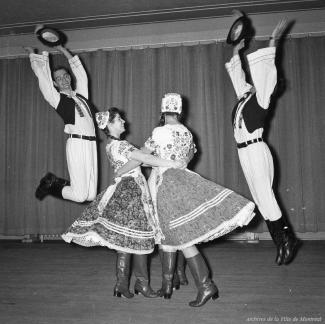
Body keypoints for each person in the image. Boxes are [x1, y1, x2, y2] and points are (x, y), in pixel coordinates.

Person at [119, 93, 256, 307]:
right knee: (176, 236)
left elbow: (140, 155)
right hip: (184, 181)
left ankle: (204, 285)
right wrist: (174, 162)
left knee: (177, 237)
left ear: (163, 110)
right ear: (180, 111)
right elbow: (189, 155)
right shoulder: (186, 132)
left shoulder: (160, 131)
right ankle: (183, 284)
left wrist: (120, 170)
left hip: (166, 185)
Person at [62, 107, 183, 299]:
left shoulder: (113, 145)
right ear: (110, 125)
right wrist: (171, 163)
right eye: (119, 120)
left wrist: (150, 155)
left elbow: (139, 161)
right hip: (132, 191)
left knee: (126, 240)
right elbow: (142, 158)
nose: (124, 122)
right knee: (139, 238)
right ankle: (141, 284)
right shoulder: (121, 145)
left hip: (124, 188)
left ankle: (121, 285)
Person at [225, 17, 298, 265]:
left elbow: (267, 72)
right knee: (260, 198)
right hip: (244, 153)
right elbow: (238, 78)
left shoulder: (262, 99)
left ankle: (285, 241)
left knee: (266, 196)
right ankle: (283, 240)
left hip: (256, 150)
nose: (255, 82)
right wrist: (236, 51)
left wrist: (273, 40)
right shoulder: (246, 96)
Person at [24, 45, 97, 202]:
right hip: (77, 143)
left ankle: (55, 182)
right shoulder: (57, 99)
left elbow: (82, 75)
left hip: (91, 145)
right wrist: (33, 56)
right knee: (79, 196)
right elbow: (44, 81)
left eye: (65, 76)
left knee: (90, 195)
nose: (63, 80)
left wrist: (61, 48)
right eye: (58, 78)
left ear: (69, 77)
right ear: (55, 84)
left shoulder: (81, 95)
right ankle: (50, 184)